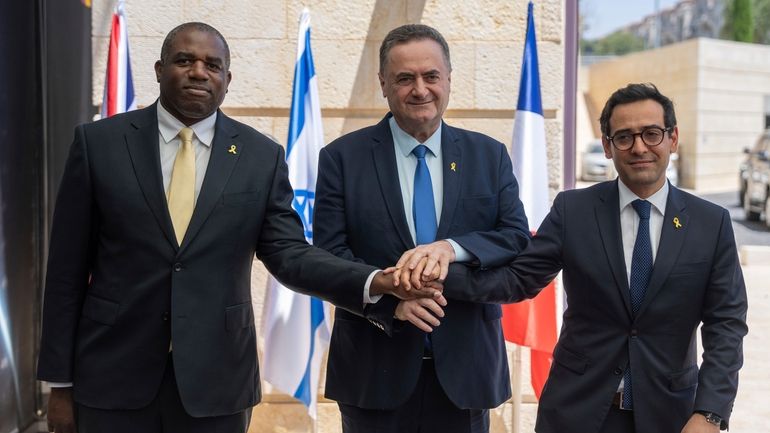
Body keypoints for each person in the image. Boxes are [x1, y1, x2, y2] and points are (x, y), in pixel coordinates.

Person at [37, 22, 439, 433]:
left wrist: (375, 281)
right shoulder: (98, 144)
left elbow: (290, 254)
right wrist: (60, 385)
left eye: (212, 65)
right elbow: (66, 273)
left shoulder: (259, 156)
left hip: (217, 386)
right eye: (184, 61)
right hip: (110, 380)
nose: (198, 72)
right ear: (159, 69)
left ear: (227, 80)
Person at [407, 83, 748, 433]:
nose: (639, 147)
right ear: (607, 146)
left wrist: (709, 413)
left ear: (673, 138)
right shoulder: (574, 211)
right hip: (577, 413)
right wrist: (437, 275)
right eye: (624, 137)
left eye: (652, 134)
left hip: (672, 417)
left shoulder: (711, 223)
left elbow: (727, 324)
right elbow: (516, 280)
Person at [313, 24, 531, 433]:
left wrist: (451, 247)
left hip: (466, 374)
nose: (420, 89)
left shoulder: (489, 155)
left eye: (431, 76)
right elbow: (327, 258)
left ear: (448, 79)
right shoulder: (342, 159)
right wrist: (388, 302)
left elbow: (516, 237)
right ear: (383, 84)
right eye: (404, 78)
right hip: (372, 373)